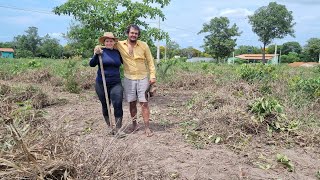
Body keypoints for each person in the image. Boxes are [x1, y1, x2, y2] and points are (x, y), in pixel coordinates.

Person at [117, 24, 156, 137]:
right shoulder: (119, 44)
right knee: (132, 103)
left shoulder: (144, 45)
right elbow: (107, 44)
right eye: (132, 33)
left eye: (136, 33)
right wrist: (98, 48)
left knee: (144, 103)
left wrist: (152, 76)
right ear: (127, 33)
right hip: (129, 79)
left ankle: (147, 127)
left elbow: (150, 61)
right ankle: (134, 125)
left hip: (143, 78)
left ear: (138, 35)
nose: (134, 35)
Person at [89, 32, 124, 136]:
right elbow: (91, 64)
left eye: (111, 41)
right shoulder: (100, 51)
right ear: (104, 42)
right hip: (101, 83)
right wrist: (96, 54)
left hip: (116, 83)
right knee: (105, 105)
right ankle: (109, 127)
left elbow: (125, 61)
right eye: (107, 41)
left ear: (114, 42)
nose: (109, 42)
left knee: (118, 104)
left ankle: (118, 129)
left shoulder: (117, 52)